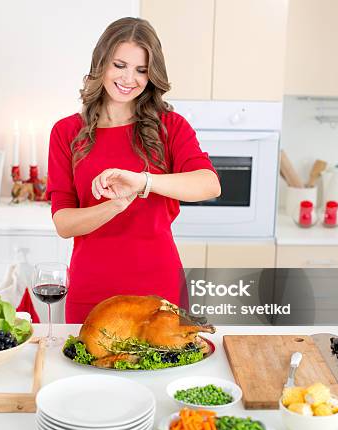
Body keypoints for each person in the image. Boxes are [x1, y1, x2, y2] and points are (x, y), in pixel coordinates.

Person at [47, 17, 221, 323]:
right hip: (91, 291)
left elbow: (209, 184)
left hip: (159, 289)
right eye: (120, 65)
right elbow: (64, 223)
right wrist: (114, 206)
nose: (130, 78)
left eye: (141, 70)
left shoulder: (170, 127)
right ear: (101, 63)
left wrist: (143, 182)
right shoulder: (66, 132)